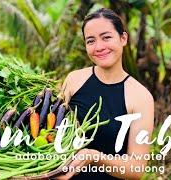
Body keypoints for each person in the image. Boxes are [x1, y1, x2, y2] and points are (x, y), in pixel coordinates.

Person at [56, 8, 154, 179]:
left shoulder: (141, 97)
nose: (99, 47)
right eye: (91, 41)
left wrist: (95, 157)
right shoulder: (74, 80)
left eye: (106, 37)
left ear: (123, 38)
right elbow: (52, 130)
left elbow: (136, 169)